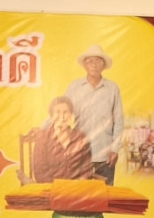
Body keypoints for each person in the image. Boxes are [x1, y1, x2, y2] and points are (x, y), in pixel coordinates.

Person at [63, 45, 125, 183]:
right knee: (79, 197)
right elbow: (62, 114)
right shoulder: (74, 87)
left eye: (98, 61)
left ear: (103, 65)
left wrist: (115, 149)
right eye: (89, 61)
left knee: (106, 197)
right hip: (79, 154)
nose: (94, 65)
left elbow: (119, 121)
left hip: (105, 153)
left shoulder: (112, 88)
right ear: (84, 65)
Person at [29, 96, 95, 182]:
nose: (62, 117)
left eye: (66, 112)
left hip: (76, 188)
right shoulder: (43, 137)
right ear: (51, 116)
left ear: (71, 115)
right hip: (52, 189)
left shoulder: (80, 136)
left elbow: (87, 167)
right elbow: (40, 173)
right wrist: (59, 188)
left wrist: (79, 182)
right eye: (58, 112)